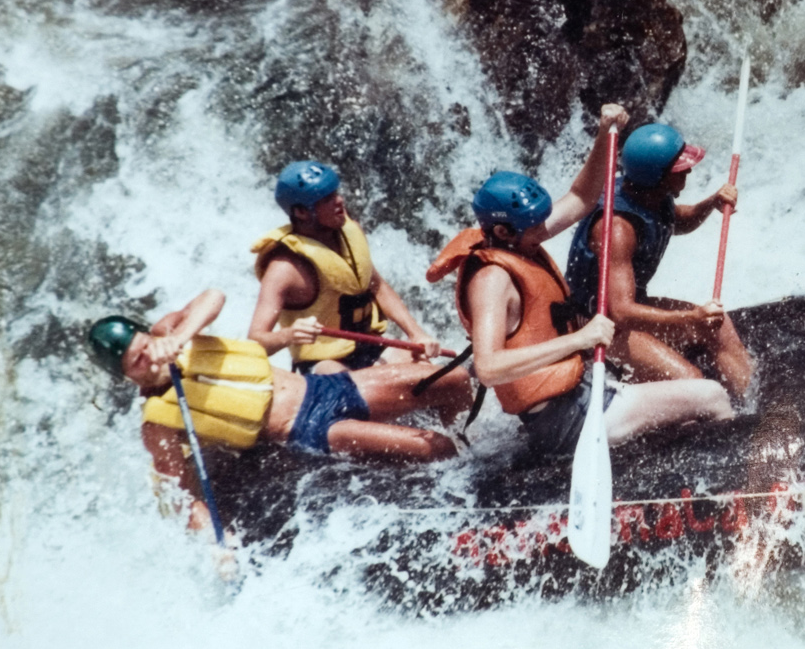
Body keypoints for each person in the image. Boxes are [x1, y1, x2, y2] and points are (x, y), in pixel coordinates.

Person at [427, 105, 733, 456]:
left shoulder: (519, 238)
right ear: (502, 230)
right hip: (565, 420)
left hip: (584, 391)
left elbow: (581, 198)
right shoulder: (492, 280)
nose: (545, 229)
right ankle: (727, 482)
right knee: (711, 396)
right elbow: (488, 367)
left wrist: (605, 133)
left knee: (693, 398)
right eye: (536, 225)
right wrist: (580, 338)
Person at [87, 289, 476, 531]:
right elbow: (183, 495)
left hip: (324, 386)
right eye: (136, 363)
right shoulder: (157, 423)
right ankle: (464, 497)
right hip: (307, 428)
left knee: (454, 380)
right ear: (126, 378)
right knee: (434, 448)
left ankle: (475, 448)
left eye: (144, 348)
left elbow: (214, 297)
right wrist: (216, 546)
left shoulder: (170, 331)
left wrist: (178, 339)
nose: (148, 361)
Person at [564, 122, 753, 398]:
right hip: (597, 326)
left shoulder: (650, 193)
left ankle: (752, 405)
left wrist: (710, 203)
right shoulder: (618, 229)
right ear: (658, 177)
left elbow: (676, 221)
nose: (688, 170)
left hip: (626, 311)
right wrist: (691, 317)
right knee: (692, 384)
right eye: (680, 169)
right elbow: (621, 312)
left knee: (718, 326)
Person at [249, 161, 440, 374]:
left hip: (370, 351)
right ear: (302, 212)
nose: (339, 201)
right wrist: (289, 334)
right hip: (323, 365)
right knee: (347, 384)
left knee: (438, 376)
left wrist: (416, 334)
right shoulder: (284, 268)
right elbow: (256, 341)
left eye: (336, 193)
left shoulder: (351, 233)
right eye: (327, 199)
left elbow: (378, 287)